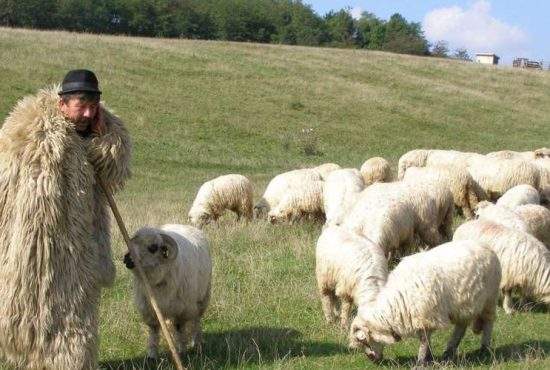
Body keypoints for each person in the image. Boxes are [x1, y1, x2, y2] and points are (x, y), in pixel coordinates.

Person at [0, 70, 131, 369]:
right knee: (33, 317)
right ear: (62, 103)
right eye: (81, 105)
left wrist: (103, 138)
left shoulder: (101, 129)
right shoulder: (29, 129)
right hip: (35, 247)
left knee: (75, 325)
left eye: (93, 106)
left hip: (80, 250)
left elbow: (116, 171)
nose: (87, 113)